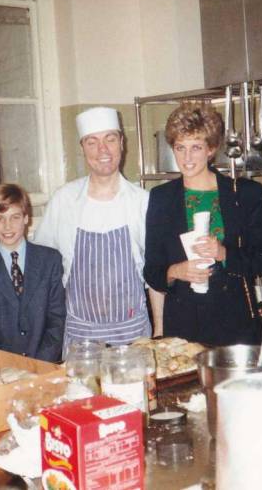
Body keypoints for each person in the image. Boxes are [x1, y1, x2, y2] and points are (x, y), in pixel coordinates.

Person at [31, 107, 159, 350]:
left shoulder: (143, 202)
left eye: (110, 139)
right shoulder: (64, 200)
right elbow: (38, 265)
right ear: (83, 149)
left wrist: (160, 332)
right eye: (92, 142)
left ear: (122, 143)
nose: (103, 150)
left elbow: (156, 276)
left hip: (134, 336)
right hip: (81, 339)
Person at [144, 102, 262, 346]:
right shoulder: (161, 198)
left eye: (196, 147)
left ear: (211, 149)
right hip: (183, 325)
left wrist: (223, 252)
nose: (187, 158)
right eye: (180, 148)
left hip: (235, 322)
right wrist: (176, 271)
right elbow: (152, 270)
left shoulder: (245, 194)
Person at [0, 183, 65, 361]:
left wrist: (39, 364)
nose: (7, 226)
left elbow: (57, 320)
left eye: (15, 217)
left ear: (27, 218)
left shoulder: (50, 261)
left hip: (45, 364)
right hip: (2, 370)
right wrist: (6, 366)